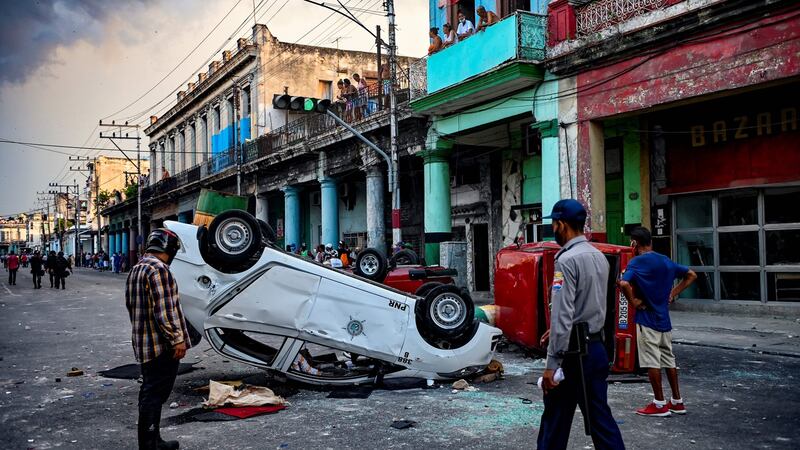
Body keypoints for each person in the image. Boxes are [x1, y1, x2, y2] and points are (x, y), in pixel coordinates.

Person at [537, 199, 625, 450]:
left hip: (573, 355)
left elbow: (563, 314)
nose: (553, 230)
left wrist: (551, 365)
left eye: (554, 224)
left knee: (554, 420)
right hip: (595, 348)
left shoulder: (565, 260)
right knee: (600, 420)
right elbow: (591, 305)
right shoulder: (598, 256)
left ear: (561, 225)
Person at [618, 226, 697, 417]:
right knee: (669, 360)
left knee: (652, 361)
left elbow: (623, 283)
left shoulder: (636, 262)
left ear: (634, 243)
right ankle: (677, 401)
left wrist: (634, 302)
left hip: (647, 320)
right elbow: (691, 275)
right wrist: (673, 293)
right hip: (664, 320)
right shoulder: (666, 261)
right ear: (651, 242)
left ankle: (659, 403)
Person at [125, 229, 189, 450]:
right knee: (155, 394)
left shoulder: (137, 269)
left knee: (149, 391)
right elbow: (164, 310)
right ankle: (150, 444)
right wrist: (177, 340)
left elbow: (132, 307)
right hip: (161, 346)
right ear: (169, 249)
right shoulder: (159, 270)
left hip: (143, 343)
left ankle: (153, 441)